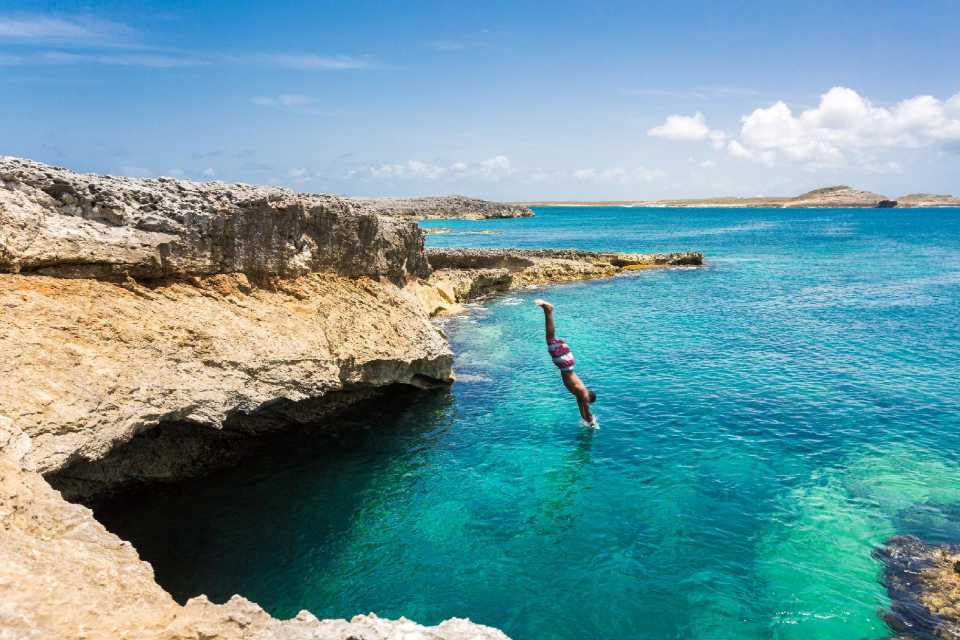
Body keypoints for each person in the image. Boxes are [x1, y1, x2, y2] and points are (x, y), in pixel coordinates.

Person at [534, 299, 598, 428]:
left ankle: (548, 311)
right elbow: (586, 409)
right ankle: (548, 311)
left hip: (568, 362)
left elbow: (582, 408)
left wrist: (587, 421)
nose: (586, 402)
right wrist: (592, 422)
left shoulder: (580, 393)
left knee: (551, 339)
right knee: (550, 339)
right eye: (588, 401)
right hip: (565, 364)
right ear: (588, 397)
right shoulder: (582, 392)